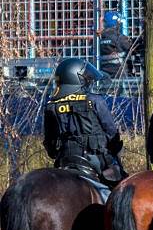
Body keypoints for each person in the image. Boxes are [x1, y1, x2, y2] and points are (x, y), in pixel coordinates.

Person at [43, 57, 125, 187]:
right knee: (122, 190)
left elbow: (50, 144)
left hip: (65, 160)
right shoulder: (95, 100)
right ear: (77, 79)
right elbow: (111, 132)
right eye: (86, 79)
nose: (89, 82)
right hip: (97, 160)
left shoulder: (51, 106)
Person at [98, 10, 132, 78]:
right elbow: (133, 48)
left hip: (104, 76)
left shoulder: (100, 40)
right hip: (119, 75)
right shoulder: (120, 38)